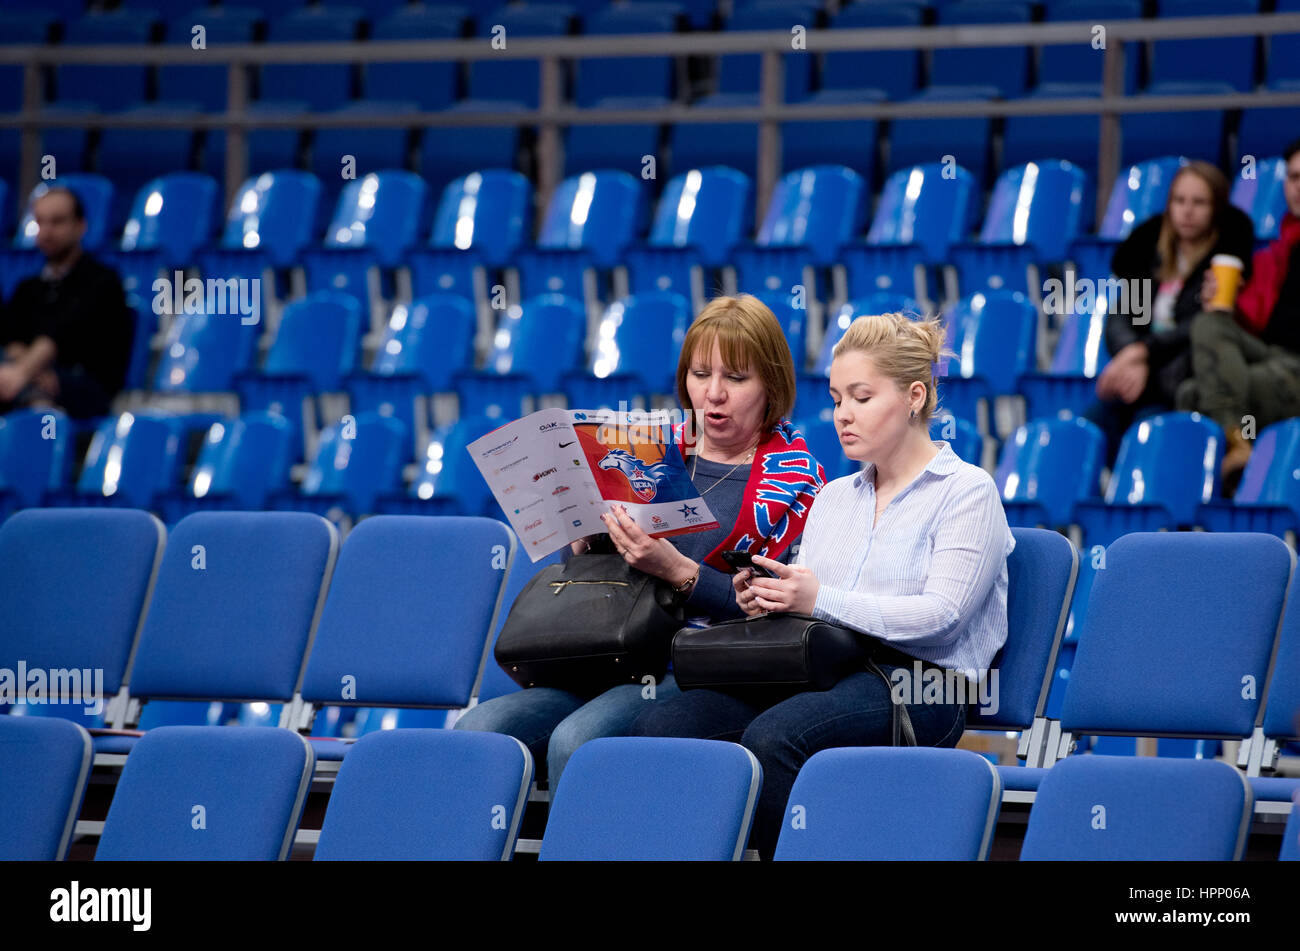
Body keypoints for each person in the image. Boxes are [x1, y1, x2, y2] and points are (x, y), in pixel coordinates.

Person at [631, 311, 1015, 860]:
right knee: (664, 723)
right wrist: (766, 595)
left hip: (924, 682)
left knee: (777, 740)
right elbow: (808, 607)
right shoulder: (836, 498)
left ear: (913, 396)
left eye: (861, 397)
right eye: (837, 399)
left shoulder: (966, 491)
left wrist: (817, 599)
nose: (843, 415)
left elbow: (942, 615)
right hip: (825, 665)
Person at [456, 294, 826, 790]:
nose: (713, 394)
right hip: (604, 651)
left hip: (694, 665)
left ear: (771, 386)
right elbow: (593, 575)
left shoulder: (799, 481)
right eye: (700, 374)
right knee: (477, 730)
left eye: (736, 379)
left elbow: (783, 621)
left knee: (577, 740)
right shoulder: (645, 448)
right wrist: (584, 537)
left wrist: (679, 572)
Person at [1085, 161, 1256, 464]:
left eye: (1199, 202)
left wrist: (1143, 355)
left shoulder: (1223, 268)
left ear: (1216, 208)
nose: (1187, 211)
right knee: (1088, 430)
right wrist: (1131, 355)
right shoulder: (1149, 256)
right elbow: (1120, 317)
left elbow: (1200, 330)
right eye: (1179, 201)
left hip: (1177, 388)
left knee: (1150, 434)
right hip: (1136, 380)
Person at [1177, 138, 1300, 488]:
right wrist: (1223, 300)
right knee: (1208, 322)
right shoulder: (1276, 253)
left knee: (1194, 395)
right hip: (1269, 356)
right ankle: (1237, 446)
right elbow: (1248, 324)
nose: (1298, 187)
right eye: (1292, 177)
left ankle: (1205, 502)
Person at [0, 186, 133, 418]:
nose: (47, 232)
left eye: (57, 222)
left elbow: (61, 334)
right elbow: (12, 338)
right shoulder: (28, 287)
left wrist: (22, 373)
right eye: (41, 222)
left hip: (84, 385)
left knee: (30, 397)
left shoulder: (102, 281)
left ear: (80, 226)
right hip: (30, 380)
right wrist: (31, 372)